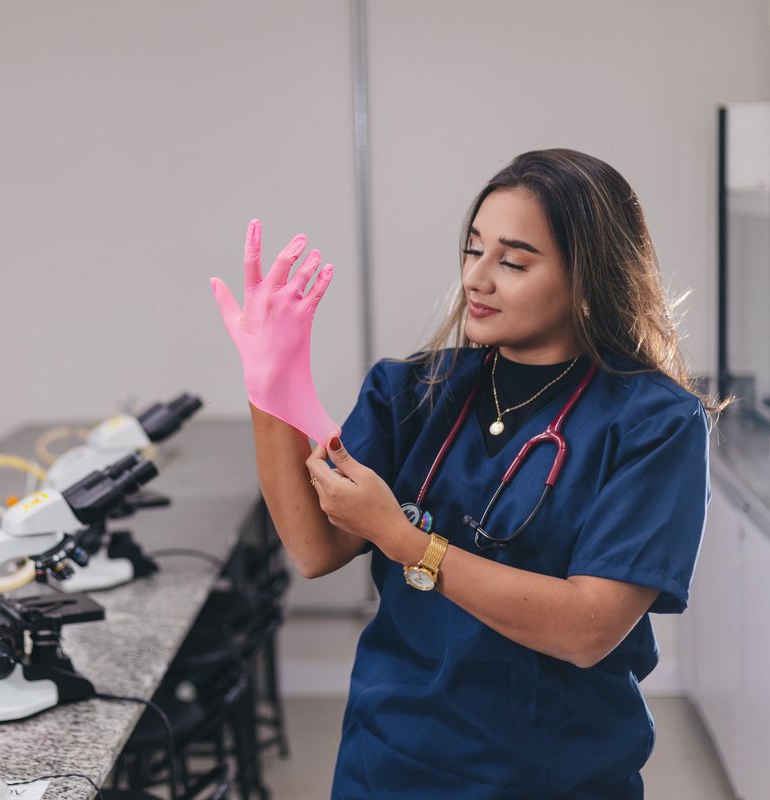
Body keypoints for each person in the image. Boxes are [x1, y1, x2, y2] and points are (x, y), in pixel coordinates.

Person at [211, 149, 724, 798]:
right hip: (387, 761)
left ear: (588, 278)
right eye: (472, 249)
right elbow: (315, 549)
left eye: (512, 261)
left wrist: (406, 541)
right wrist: (268, 388)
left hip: (546, 776)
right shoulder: (412, 390)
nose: (477, 279)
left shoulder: (655, 421)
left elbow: (588, 629)